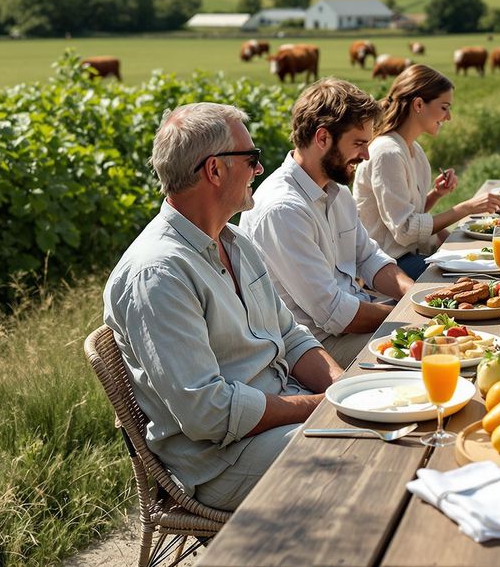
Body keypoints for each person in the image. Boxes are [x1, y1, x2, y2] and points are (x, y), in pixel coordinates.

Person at [103, 103, 344, 510]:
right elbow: (208, 414)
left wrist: (340, 385)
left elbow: (290, 335)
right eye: (251, 159)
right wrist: (323, 406)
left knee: (388, 421)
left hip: (278, 418)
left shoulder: (234, 240)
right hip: (224, 462)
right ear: (214, 170)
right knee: (368, 452)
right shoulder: (158, 274)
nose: (259, 170)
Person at [240, 78, 414, 367]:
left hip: (354, 327)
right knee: (439, 349)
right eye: (358, 143)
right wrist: (407, 313)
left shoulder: (336, 191)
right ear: (322, 138)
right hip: (315, 351)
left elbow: (369, 258)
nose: (366, 155)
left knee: (449, 337)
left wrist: (415, 296)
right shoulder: (283, 209)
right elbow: (334, 314)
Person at [353, 64, 500, 279]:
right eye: (444, 107)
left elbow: (411, 213)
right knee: (477, 280)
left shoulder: (414, 150)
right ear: (419, 104)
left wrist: (436, 194)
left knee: (484, 266)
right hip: (388, 265)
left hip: (412, 254)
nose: (448, 117)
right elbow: (405, 230)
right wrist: (465, 208)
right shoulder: (387, 153)